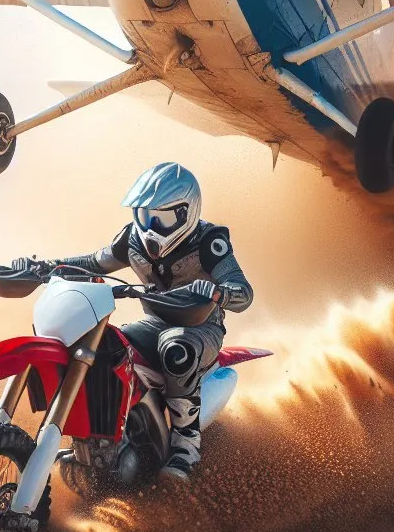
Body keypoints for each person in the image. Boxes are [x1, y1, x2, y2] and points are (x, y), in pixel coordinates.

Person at [13, 162, 253, 481]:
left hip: (200, 327)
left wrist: (219, 293)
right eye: (143, 215)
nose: (150, 226)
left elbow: (243, 289)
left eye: (161, 218)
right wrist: (44, 265)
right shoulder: (132, 240)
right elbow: (93, 261)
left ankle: (185, 447)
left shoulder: (209, 241)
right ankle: (99, 439)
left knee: (175, 348)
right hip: (154, 322)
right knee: (106, 346)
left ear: (186, 213)